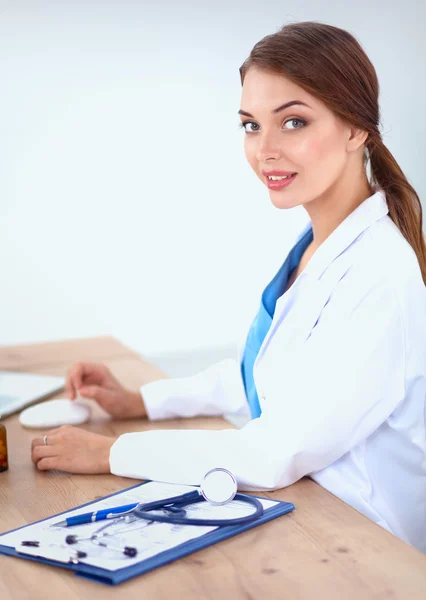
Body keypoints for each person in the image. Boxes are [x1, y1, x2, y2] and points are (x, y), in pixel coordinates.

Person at [31, 21, 426, 552]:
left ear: (357, 129)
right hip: (305, 510)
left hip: (359, 542)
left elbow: (274, 453)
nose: (264, 150)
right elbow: (265, 376)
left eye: (292, 121)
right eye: (250, 125)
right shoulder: (317, 248)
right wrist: (138, 401)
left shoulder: (380, 275)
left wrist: (110, 453)